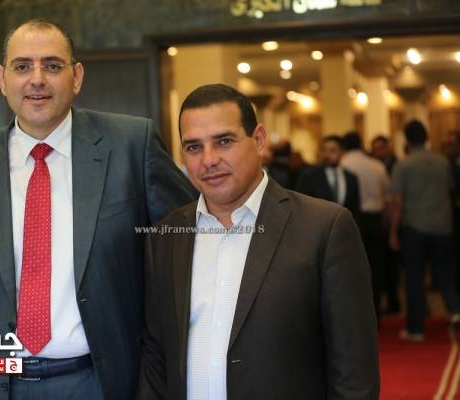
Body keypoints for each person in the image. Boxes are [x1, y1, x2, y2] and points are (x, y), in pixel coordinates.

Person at [0, 19, 196, 400]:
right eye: (22, 66)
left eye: (52, 65)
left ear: (76, 77)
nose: (37, 79)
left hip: (99, 382)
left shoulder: (132, 145)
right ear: (2, 79)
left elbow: (186, 250)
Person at [138, 84, 379, 399]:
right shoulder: (165, 237)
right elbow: (156, 356)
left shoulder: (324, 228)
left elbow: (354, 370)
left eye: (224, 141)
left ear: (259, 139)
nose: (208, 160)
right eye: (194, 147)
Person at [389, 120, 460, 341]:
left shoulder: (404, 165)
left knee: (414, 277)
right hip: (443, 226)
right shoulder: (442, 162)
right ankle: (455, 311)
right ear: (427, 137)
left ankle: (416, 328)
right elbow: (450, 190)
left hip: (415, 227)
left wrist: (393, 231)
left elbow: (397, 201)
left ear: (407, 140)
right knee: (446, 272)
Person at [341, 131, 389, 317]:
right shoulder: (377, 165)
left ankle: (357, 312)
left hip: (351, 219)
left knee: (352, 267)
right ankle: (375, 309)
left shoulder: (343, 165)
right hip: (375, 220)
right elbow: (387, 195)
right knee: (376, 266)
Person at [371, 135, 401, 315]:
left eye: (381, 148)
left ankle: (394, 301)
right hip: (380, 222)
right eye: (375, 149)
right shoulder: (374, 166)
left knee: (392, 266)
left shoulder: (396, 165)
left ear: (388, 148)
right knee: (382, 265)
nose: (377, 152)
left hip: (394, 221)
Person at [296, 134, 360, 218]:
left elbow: (355, 209)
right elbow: (301, 205)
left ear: (343, 153)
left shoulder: (351, 178)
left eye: (332, 150)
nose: (326, 155)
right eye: (324, 150)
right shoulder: (309, 175)